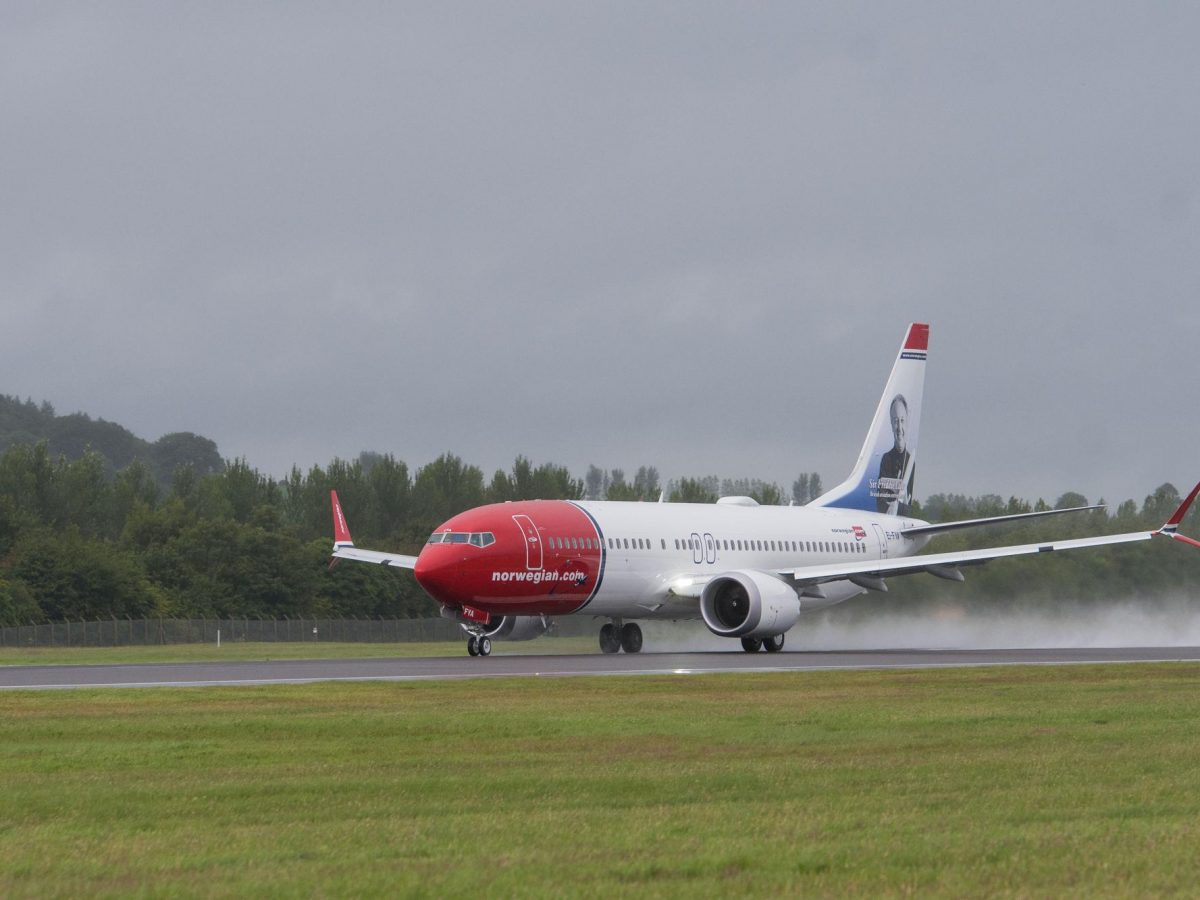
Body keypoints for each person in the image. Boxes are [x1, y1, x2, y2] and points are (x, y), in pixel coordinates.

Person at [876, 394, 914, 515]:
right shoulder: (886, 459)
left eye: (902, 420)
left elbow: (908, 501)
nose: (899, 427)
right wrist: (889, 505)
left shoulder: (910, 462)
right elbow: (880, 498)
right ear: (891, 425)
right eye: (895, 421)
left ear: (907, 422)